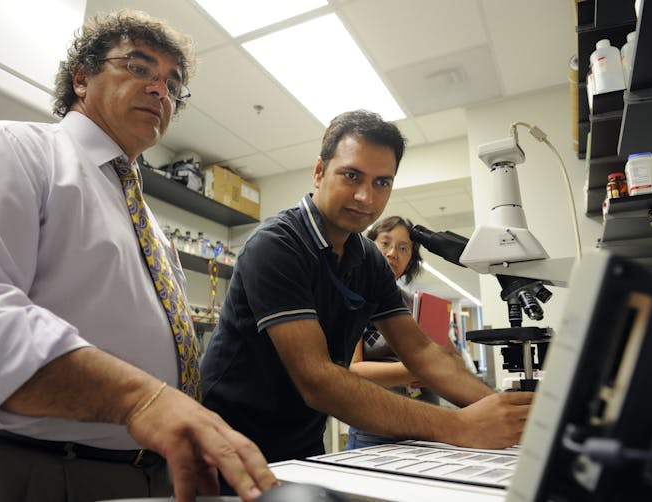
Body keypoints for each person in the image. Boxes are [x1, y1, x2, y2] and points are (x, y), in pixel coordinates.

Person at [0, 10, 275, 502]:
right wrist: (140, 399)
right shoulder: (15, 150)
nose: (160, 91)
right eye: (140, 68)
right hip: (25, 467)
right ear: (82, 77)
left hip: (144, 472)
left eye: (172, 84)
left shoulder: (151, 227)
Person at [200, 109, 533, 491]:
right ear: (319, 171)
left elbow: (422, 351)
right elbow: (317, 380)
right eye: (352, 175)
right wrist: (458, 425)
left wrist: (508, 416)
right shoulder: (276, 245)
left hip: (302, 445)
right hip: (229, 445)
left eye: (382, 183)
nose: (365, 197)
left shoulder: (368, 258)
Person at [344, 215, 457, 450]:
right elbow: (351, 370)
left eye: (403, 248)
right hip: (376, 428)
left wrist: (442, 363)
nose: (393, 253)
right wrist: (415, 371)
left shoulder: (416, 304)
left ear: (410, 260)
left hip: (426, 424)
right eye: (385, 243)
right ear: (369, 246)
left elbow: (452, 361)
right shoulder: (352, 300)